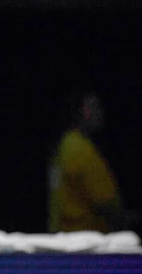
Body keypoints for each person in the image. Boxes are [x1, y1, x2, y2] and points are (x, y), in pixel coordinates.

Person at [48, 88, 123, 233]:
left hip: (63, 234)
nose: (100, 112)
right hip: (86, 238)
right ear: (83, 111)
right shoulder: (81, 149)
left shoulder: (63, 145)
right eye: (94, 107)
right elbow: (105, 202)